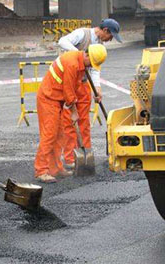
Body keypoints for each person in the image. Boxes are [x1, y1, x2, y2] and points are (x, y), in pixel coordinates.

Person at [34, 44, 107, 183]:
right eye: (91, 63)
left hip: (57, 99)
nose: (91, 66)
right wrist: (74, 111)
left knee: (60, 135)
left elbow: (73, 88)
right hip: (48, 99)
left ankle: (55, 168)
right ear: (86, 55)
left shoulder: (80, 63)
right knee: (49, 134)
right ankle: (41, 170)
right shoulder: (72, 64)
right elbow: (68, 91)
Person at [58, 18, 122, 170]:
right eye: (110, 36)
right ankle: (70, 158)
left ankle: (86, 154)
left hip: (84, 84)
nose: (110, 40)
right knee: (69, 122)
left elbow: (94, 68)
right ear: (105, 30)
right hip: (69, 81)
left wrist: (97, 88)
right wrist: (80, 55)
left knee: (84, 122)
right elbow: (62, 41)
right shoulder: (82, 34)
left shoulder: (99, 46)